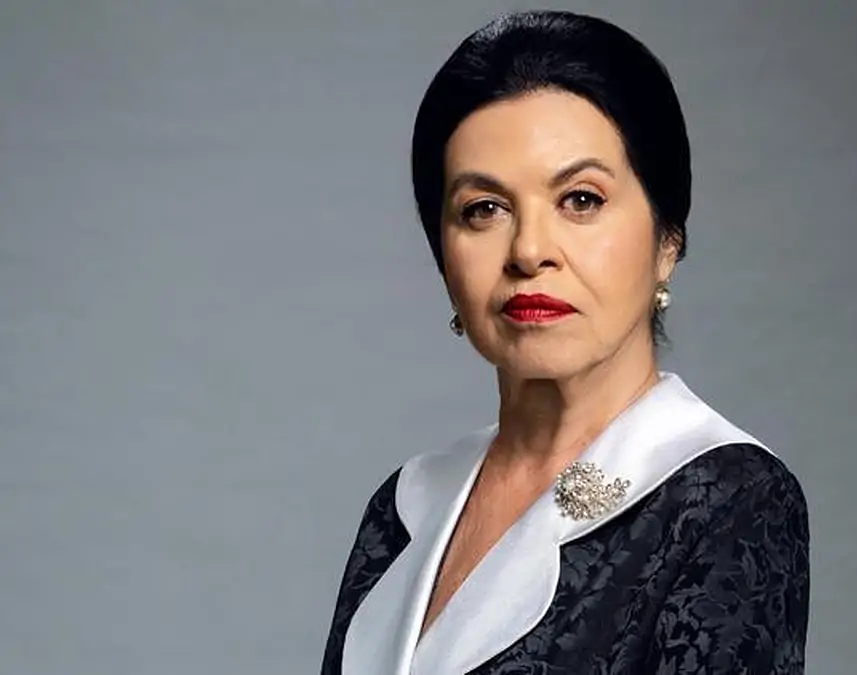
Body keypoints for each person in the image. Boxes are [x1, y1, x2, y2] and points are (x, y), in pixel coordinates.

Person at [320, 10, 809, 674]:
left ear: (668, 238)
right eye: (484, 209)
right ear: (442, 254)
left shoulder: (726, 499)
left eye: (581, 200)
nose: (529, 250)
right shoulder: (405, 505)